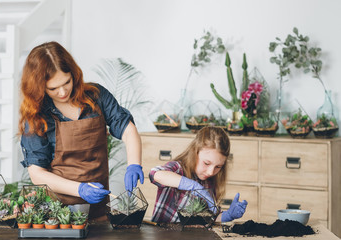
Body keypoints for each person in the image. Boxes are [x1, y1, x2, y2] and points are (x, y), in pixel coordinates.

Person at [18, 41, 144, 220]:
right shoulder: (37, 117)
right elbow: (37, 174)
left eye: (66, 82)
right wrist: (80, 189)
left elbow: (127, 129)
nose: (62, 92)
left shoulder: (96, 97)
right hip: (58, 215)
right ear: (39, 87)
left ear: (74, 74)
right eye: (53, 88)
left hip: (98, 211)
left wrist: (134, 164)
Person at [149, 126, 247, 223]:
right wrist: (193, 186)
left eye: (218, 167)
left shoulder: (209, 182)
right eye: (207, 163)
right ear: (195, 152)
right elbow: (155, 174)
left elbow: (208, 218)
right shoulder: (178, 169)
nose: (211, 172)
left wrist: (227, 215)